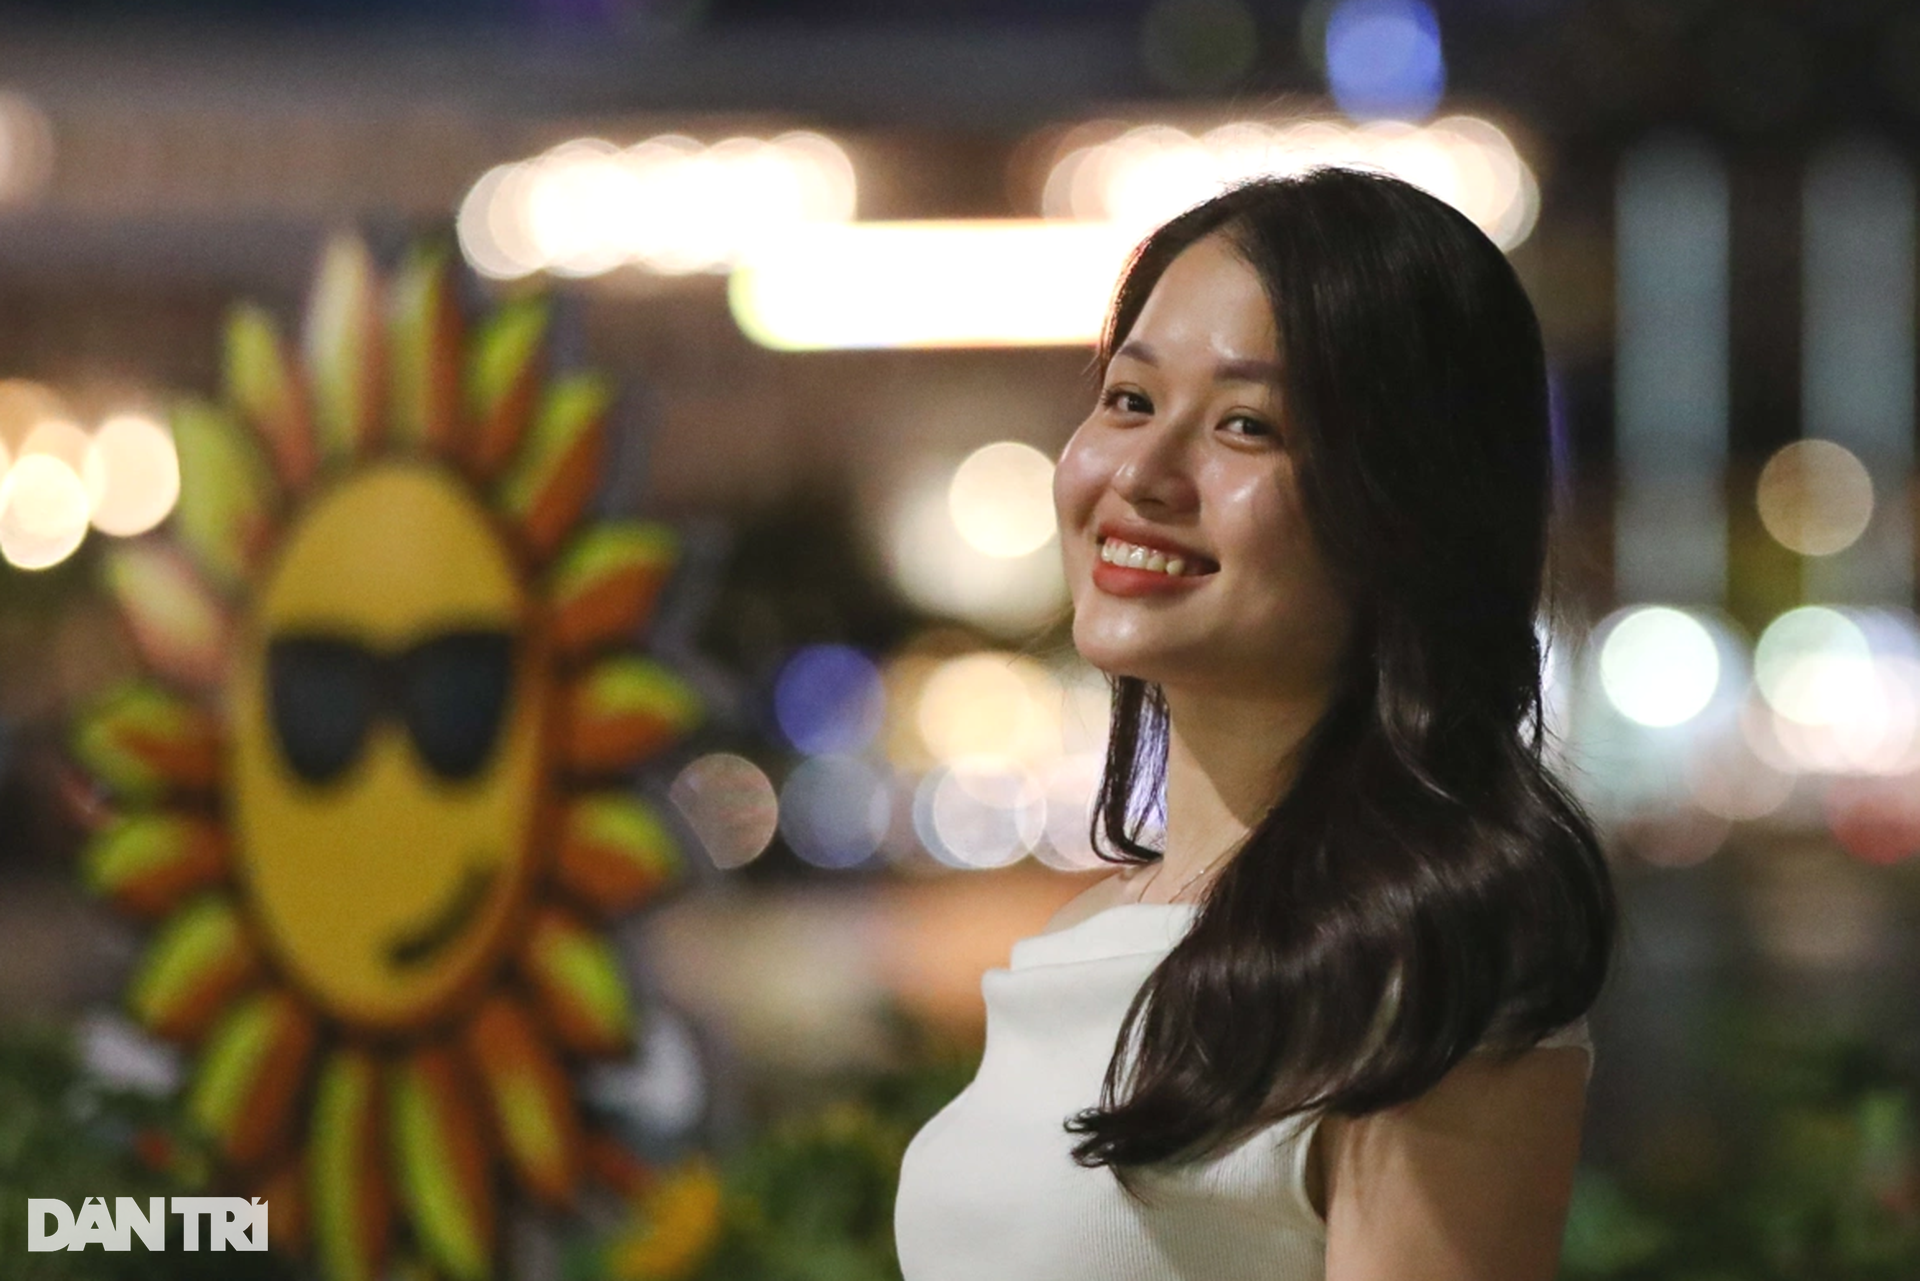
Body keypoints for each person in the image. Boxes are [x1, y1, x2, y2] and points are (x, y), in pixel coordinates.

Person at [892, 166, 1617, 1281]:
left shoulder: (1419, 969)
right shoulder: (1093, 935)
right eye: (1129, 400)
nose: (1142, 470)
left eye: (1246, 426)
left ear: (1407, 505)